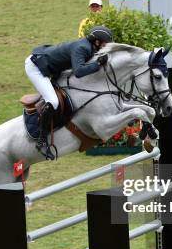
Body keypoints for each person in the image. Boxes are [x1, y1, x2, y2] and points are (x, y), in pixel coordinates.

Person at [25, 26, 113, 160]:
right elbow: (78, 72)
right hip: (36, 67)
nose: (105, 46)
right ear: (96, 42)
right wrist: (98, 64)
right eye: (104, 43)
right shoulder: (82, 48)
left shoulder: (89, 47)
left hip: (52, 68)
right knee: (53, 101)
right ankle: (41, 140)